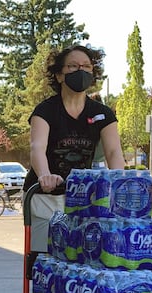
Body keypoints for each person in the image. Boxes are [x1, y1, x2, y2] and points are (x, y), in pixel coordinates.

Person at [24, 45, 126, 250]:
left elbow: (114, 152)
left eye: (86, 66)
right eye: (72, 66)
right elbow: (37, 147)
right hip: (46, 197)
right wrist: (45, 176)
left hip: (84, 197)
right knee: (45, 255)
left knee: (85, 255)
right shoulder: (46, 110)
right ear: (59, 75)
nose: (81, 70)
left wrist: (119, 184)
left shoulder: (102, 113)